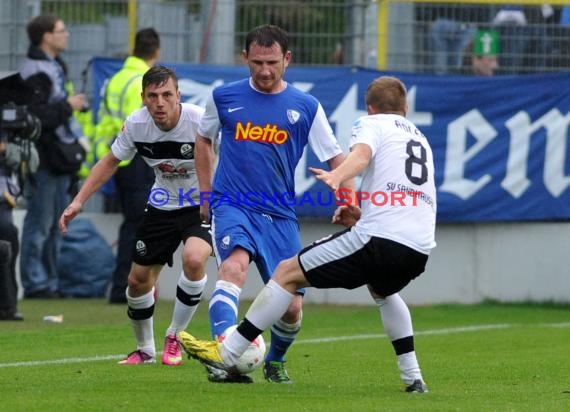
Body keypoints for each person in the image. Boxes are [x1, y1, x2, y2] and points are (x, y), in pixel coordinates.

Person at [180, 76, 436, 393]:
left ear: (370, 108)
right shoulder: (419, 139)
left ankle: (227, 352)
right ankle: (413, 379)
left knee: (287, 273)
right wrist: (358, 211)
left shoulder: (372, 124)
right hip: (419, 248)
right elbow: (402, 194)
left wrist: (338, 175)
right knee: (383, 290)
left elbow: (360, 156)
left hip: (379, 238)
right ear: (406, 108)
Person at [194, 24, 354, 384]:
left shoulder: (306, 106)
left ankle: (275, 360)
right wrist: (206, 194)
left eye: (272, 62)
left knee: (293, 308)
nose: (264, 71)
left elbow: (337, 159)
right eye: (256, 63)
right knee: (233, 268)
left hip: (280, 215)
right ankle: (223, 358)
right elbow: (203, 140)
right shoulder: (223, 98)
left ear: (287, 59)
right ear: (245, 59)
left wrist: (347, 201)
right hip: (232, 203)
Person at [59, 66, 212, 366]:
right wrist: (78, 201)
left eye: (167, 95)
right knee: (138, 281)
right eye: (153, 96)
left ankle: (175, 337)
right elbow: (110, 161)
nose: (160, 102)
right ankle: (145, 350)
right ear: (143, 98)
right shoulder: (137, 124)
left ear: (178, 95)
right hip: (163, 202)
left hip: (201, 203)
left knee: (194, 259)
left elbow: (232, 157)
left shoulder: (199, 121)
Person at [19, 15, 88, 299]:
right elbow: (36, 118)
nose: (66, 35)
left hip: (61, 160)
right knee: (40, 223)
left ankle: (49, 282)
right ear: (46, 36)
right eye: (61, 30)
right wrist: (68, 106)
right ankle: (36, 283)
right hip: (44, 159)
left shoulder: (54, 66)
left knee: (57, 223)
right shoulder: (36, 70)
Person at [93, 27, 160, 304]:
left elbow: (105, 120)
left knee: (133, 222)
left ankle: (128, 284)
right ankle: (126, 286)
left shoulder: (115, 79)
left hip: (118, 159)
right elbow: (145, 127)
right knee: (138, 224)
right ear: (156, 51)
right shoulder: (142, 82)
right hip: (137, 162)